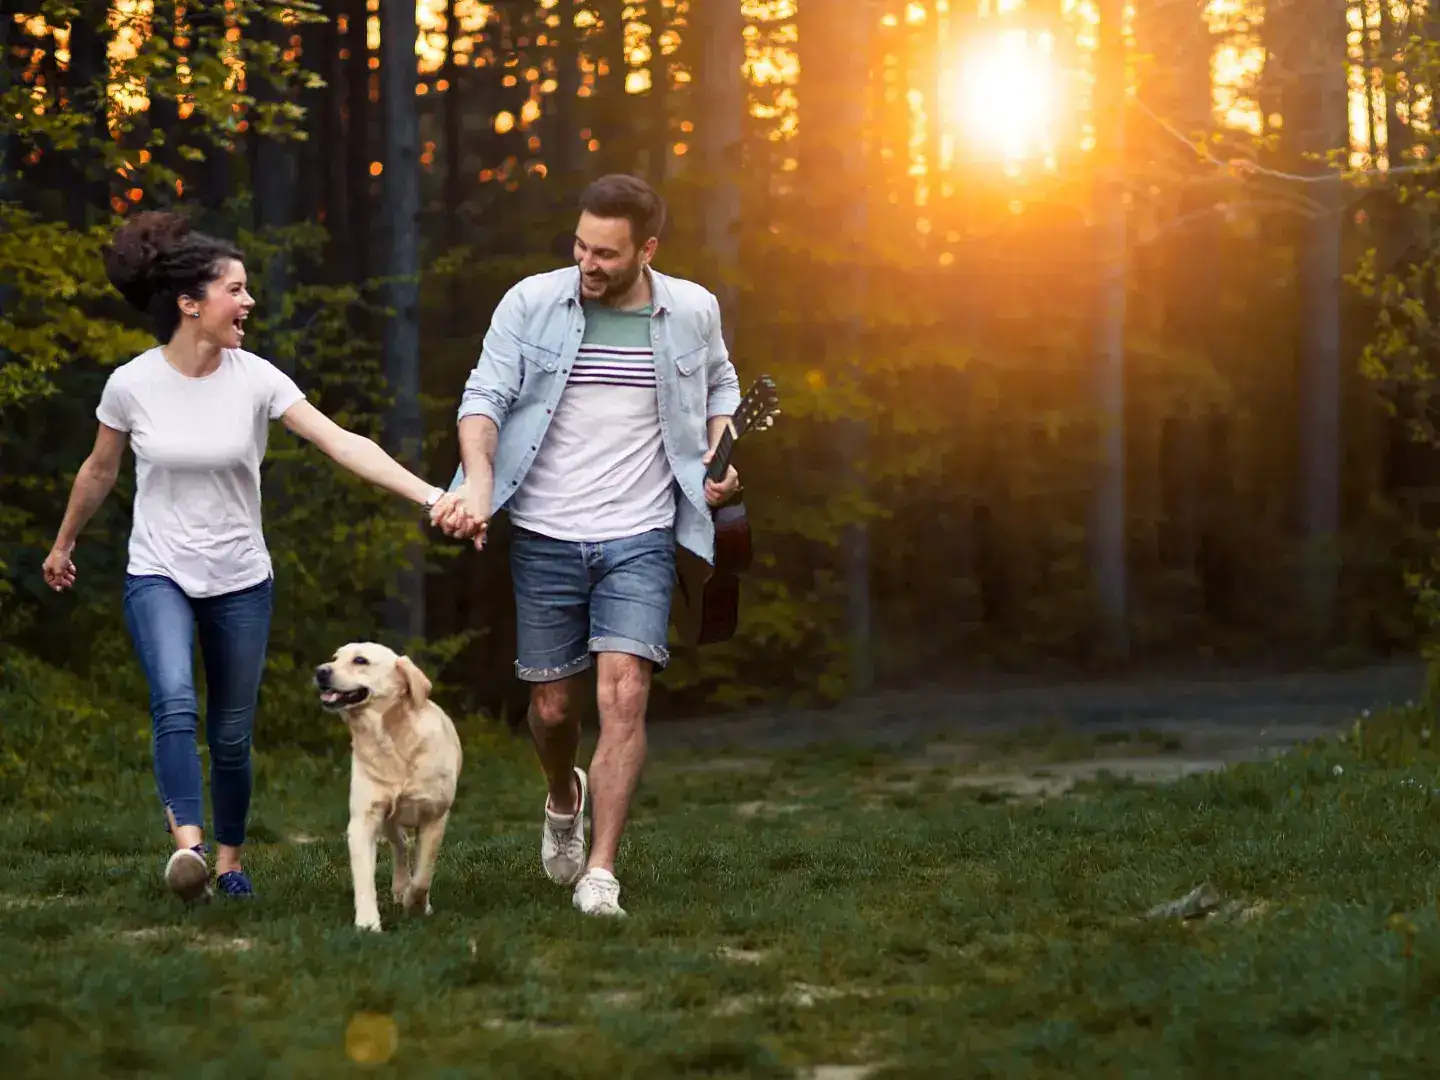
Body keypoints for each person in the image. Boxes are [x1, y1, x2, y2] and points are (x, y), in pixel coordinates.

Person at [41, 210, 472, 904]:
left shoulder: (256, 378)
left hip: (241, 577)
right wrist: (63, 544)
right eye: (234, 290)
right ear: (191, 303)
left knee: (233, 733)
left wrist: (432, 496)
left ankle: (230, 860)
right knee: (175, 701)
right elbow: (98, 471)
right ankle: (188, 850)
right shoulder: (131, 384)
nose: (248, 304)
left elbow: (342, 443)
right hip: (158, 570)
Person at [437, 173, 741, 918]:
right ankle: (561, 792)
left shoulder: (693, 310)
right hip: (544, 532)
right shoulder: (531, 302)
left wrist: (718, 463)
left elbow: (722, 390)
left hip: (640, 533)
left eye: (606, 252)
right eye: (580, 245)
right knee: (551, 709)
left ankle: (601, 872)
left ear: (648, 249)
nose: (588, 263)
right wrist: (478, 485)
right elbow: (484, 400)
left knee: (626, 694)